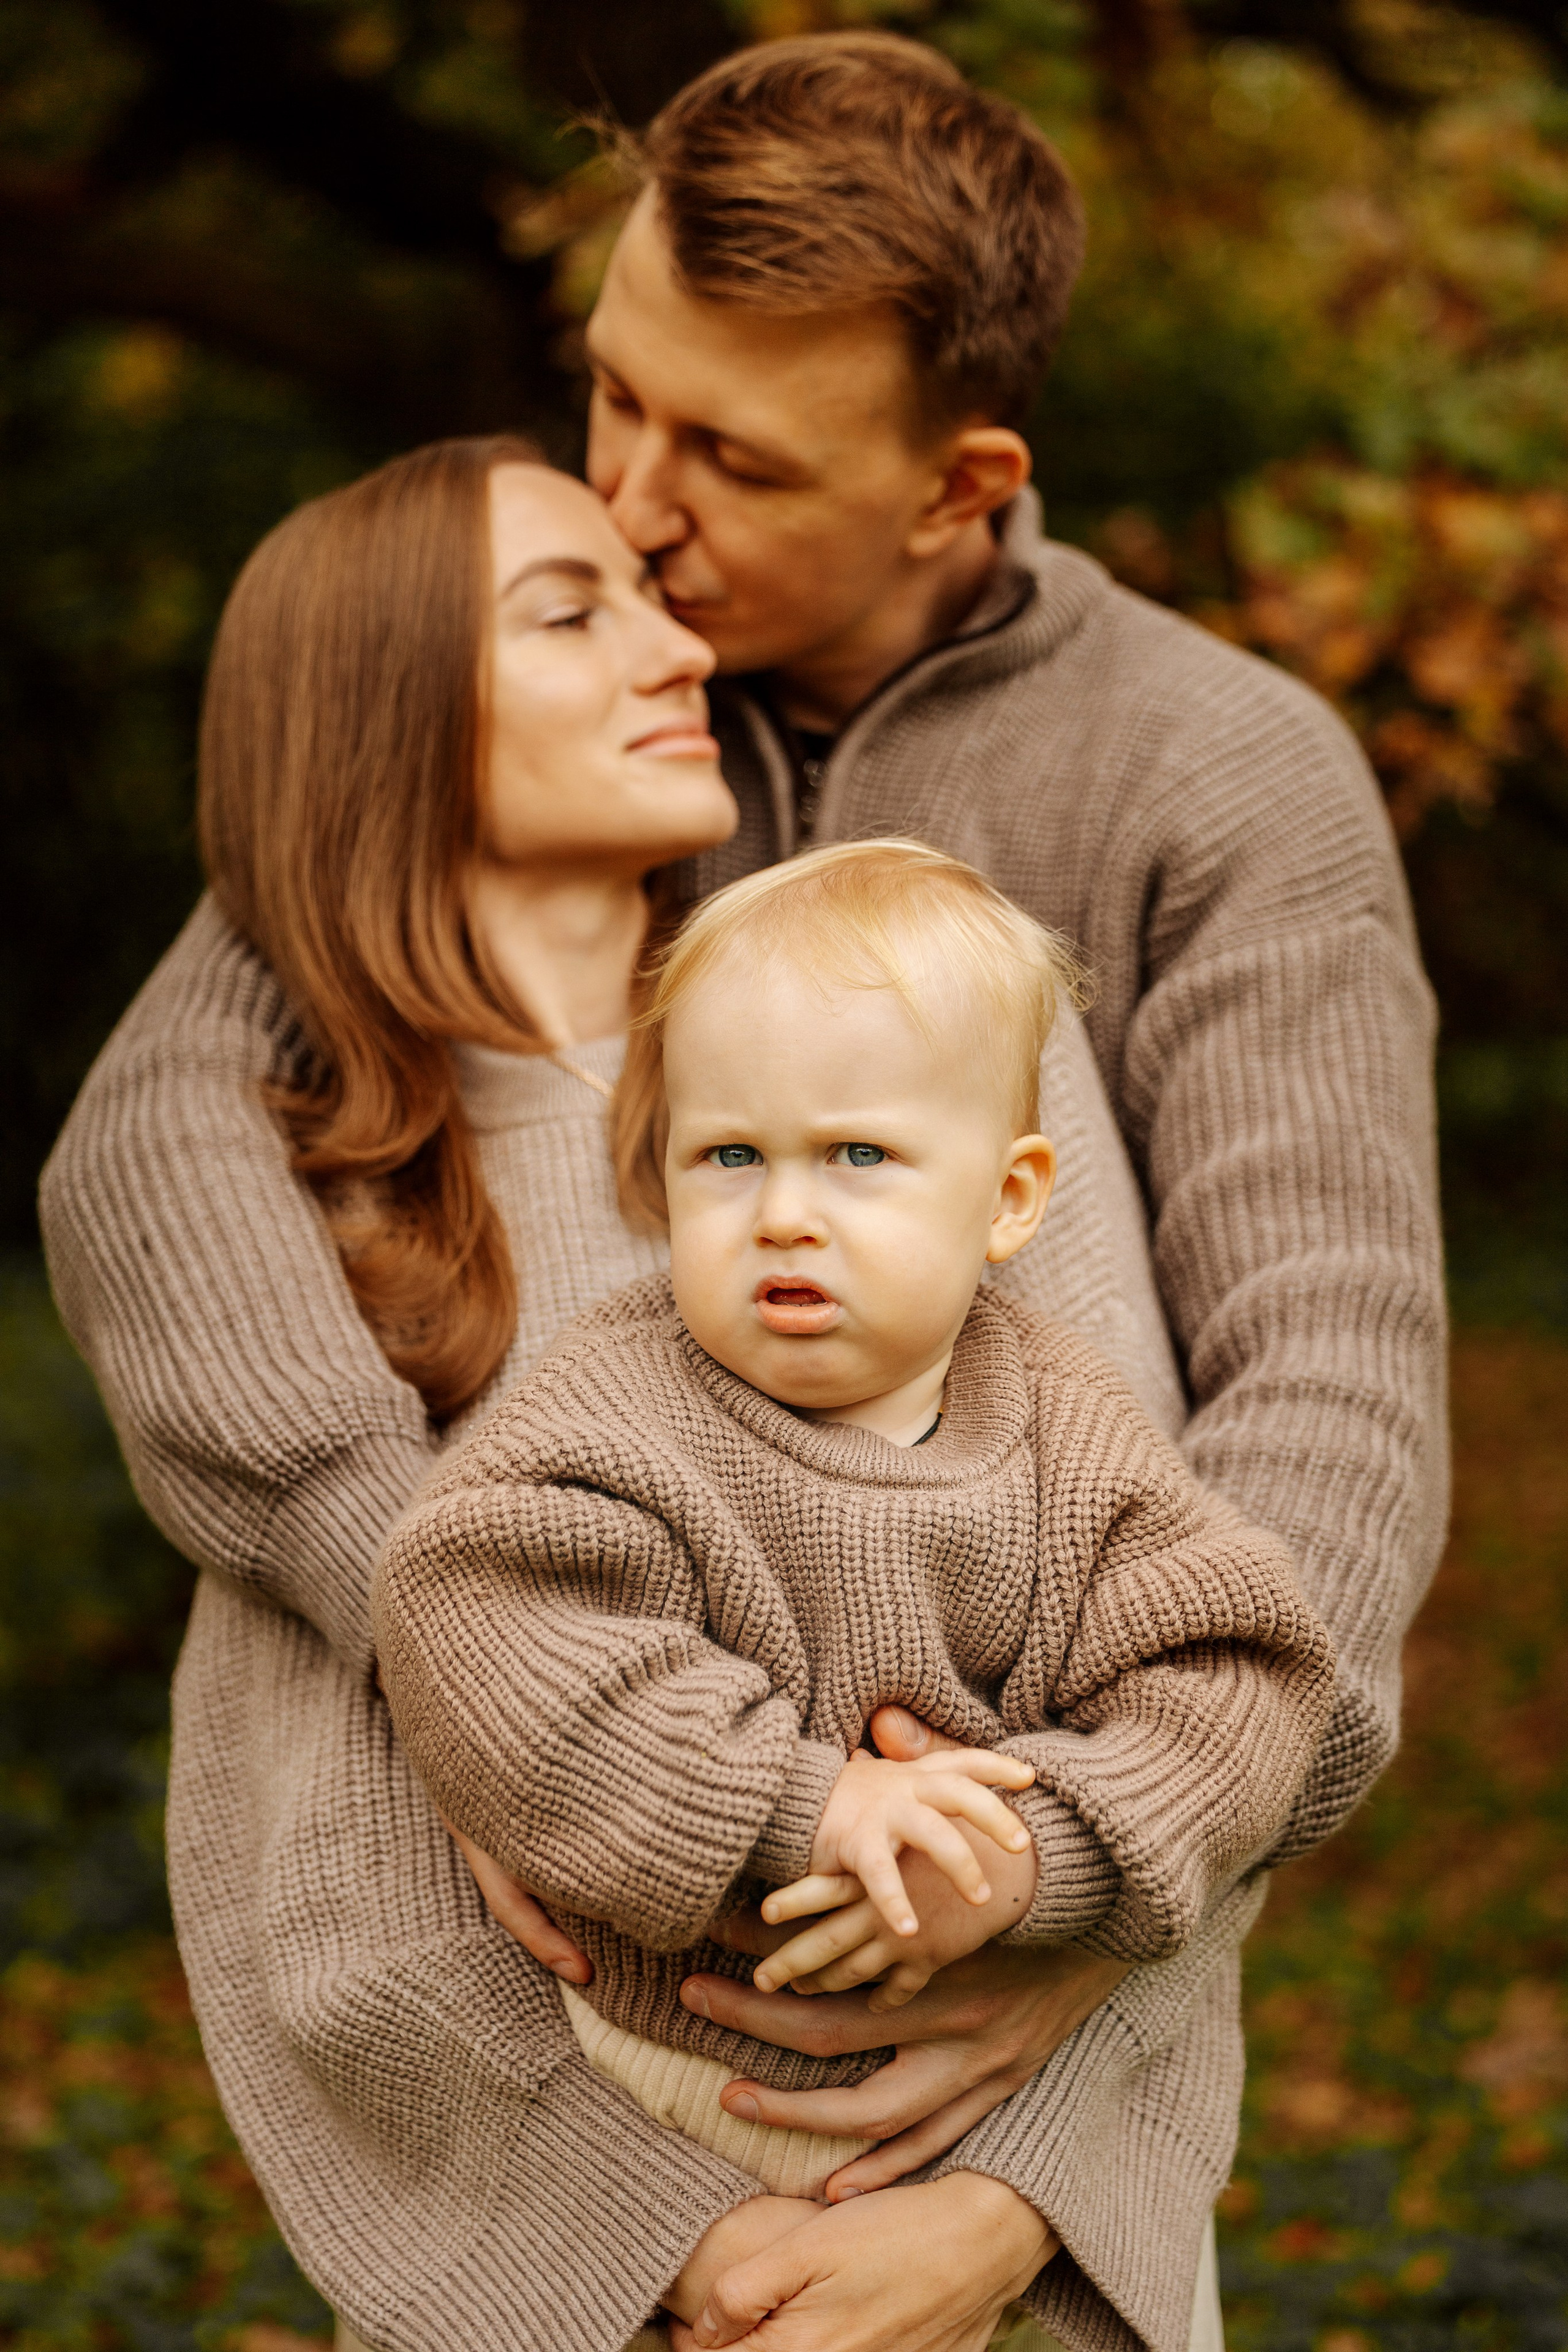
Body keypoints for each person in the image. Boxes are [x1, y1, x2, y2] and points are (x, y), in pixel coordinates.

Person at [39, 22, 1447, 2352]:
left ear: (956, 480)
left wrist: (1072, 2026)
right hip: (607, 2023)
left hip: (1066, 1941)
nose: (636, 501)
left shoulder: (1215, 779)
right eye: (614, 395)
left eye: (731, 457)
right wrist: (457, 1636)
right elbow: (159, 1143)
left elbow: (1323, 1438)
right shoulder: (535, 755)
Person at [41, 438, 1207, 2352]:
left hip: (1035, 2263)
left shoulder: (934, 1066)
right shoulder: (306, 1254)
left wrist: (1027, 2196)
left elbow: (1168, 1674)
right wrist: (679, 2250)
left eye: (649, 596)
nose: (678, 646)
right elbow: (335, 1902)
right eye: (571, 610)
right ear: (378, 716)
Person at [372, 840, 1337, 2351]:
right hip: (667, 2089)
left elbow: (1238, 1685)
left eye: (859, 1157)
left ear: (1009, 1198)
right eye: (728, 1156)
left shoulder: (1068, 1431)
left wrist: (1029, 1856)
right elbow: (496, 1642)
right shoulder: (609, 1413)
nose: (783, 1215)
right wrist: (805, 1807)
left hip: (978, 2109)